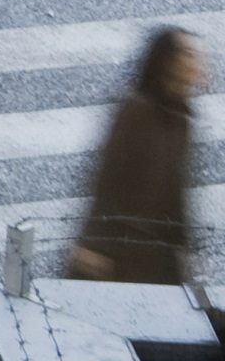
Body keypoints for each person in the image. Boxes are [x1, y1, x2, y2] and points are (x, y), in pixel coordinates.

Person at [70, 26, 209, 284]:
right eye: (189, 54)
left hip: (157, 254)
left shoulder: (181, 119)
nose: (199, 62)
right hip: (118, 253)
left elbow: (177, 190)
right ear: (168, 62)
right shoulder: (136, 111)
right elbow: (107, 178)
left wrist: (183, 246)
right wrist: (93, 244)